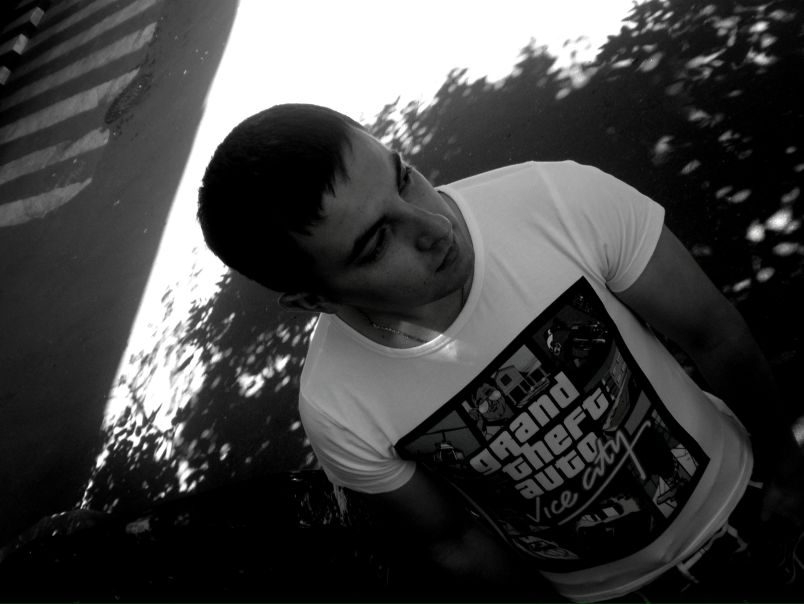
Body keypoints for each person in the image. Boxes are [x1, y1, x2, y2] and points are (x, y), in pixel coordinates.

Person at [197, 103, 803, 601]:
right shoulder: (337, 407)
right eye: (376, 244)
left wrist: (786, 469)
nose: (435, 225)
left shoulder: (555, 199)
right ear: (313, 299)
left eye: (403, 176)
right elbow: (452, 541)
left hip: (750, 497)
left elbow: (713, 334)